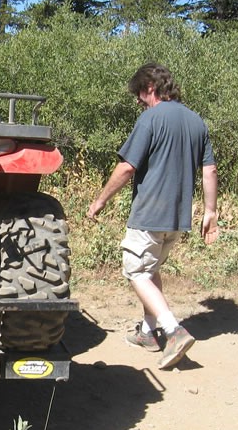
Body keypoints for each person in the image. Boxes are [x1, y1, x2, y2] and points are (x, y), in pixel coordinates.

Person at [87, 63, 219, 370]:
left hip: (149, 213)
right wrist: (210, 212)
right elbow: (209, 170)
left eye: (138, 95)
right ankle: (148, 333)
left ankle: (173, 331)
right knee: (151, 269)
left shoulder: (151, 118)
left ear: (150, 88)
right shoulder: (197, 121)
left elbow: (127, 167)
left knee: (136, 272)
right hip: (177, 218)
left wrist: (100, 200)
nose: (137, 102)